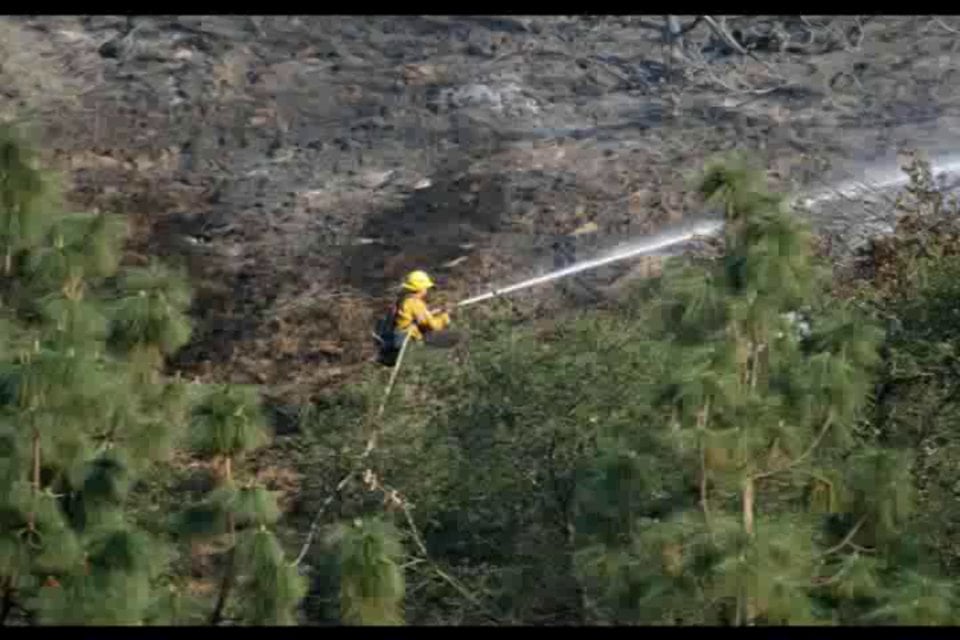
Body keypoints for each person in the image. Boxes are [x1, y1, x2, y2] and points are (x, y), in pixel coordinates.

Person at [375, 270, 451, 366]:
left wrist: (432, 313)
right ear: (420, 288)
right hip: (408, 346)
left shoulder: (403, 300)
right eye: (426, 288)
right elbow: (433, 326)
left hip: (397, 345)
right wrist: (444, 316)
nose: (427, 290)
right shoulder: (415, 303)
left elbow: (413, 319)